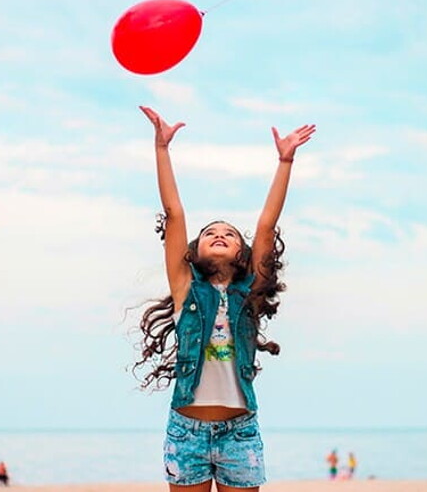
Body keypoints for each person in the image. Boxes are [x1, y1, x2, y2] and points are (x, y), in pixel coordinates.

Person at [134, 106, 315, 492]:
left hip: (240, 432)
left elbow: (266, 224)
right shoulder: (187, 290)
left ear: (244, 254)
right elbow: (174, 213)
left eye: (229, 234)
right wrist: (161, 149)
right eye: (210, 232)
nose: (219, 234)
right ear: (194, 251)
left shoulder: (248, 295)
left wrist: (285, 160)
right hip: (187, 431)